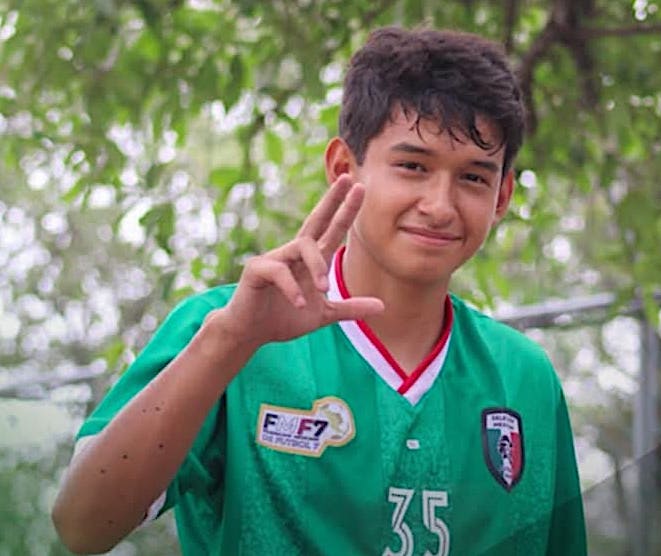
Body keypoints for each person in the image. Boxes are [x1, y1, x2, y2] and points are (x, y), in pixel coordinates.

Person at [52, 26, 587, 555]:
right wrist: (230, 342)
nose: (440, 206)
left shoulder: (525, 377)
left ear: (502, 196)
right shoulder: (226, 326)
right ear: (343, 168)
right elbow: (82, 528)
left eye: (473, 177)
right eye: (412, 166)